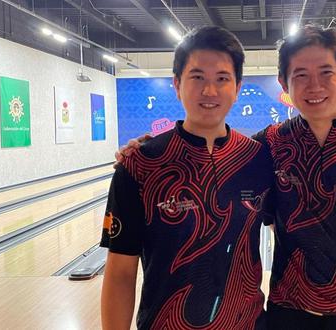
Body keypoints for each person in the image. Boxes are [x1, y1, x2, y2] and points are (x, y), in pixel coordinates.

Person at [117, 25, 336, 330]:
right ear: (284, 83)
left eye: (325, 72)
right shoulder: (268, 145)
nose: (314, 86)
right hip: (289, 316)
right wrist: (145, 150)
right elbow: (209, 161)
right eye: (300, 75)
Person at [101, 26, 273, 330]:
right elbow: (120, 273)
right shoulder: (140, 164)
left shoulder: (258, 159)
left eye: (222, 79)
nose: (210, 91)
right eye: (197, 78)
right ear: (177, 84)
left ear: (238, 87)